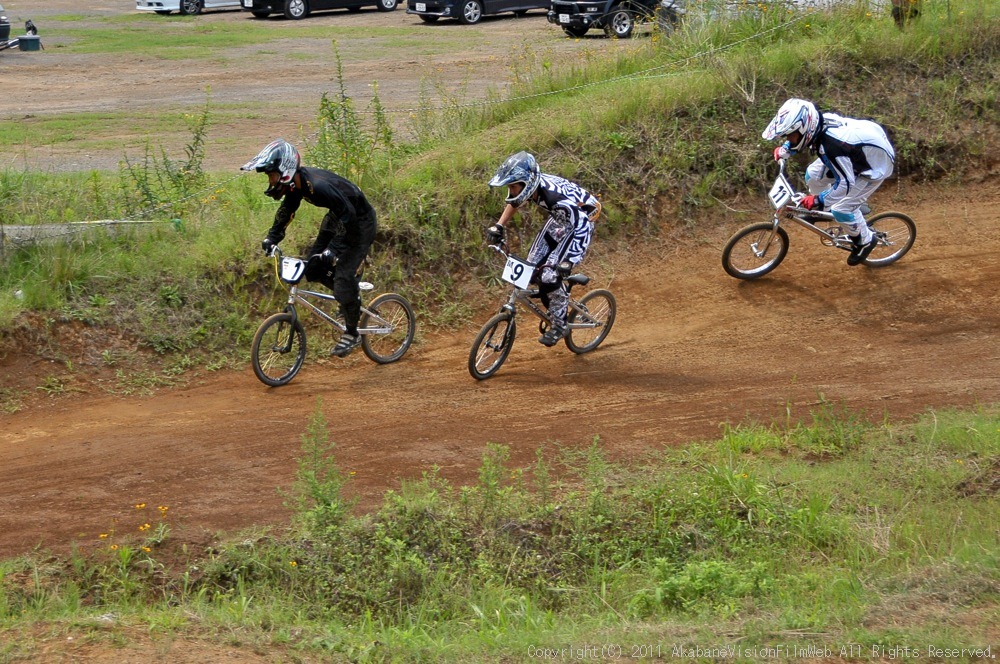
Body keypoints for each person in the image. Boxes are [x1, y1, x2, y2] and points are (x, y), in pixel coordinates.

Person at [242, 139, 377, 357]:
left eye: (271, 175)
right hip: (338, 218)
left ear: (285, 171)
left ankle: (352, 332)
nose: (270, 180)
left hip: (359, 223)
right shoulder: (297, 184)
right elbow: (287, 210)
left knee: (342, 277)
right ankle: (348, 298)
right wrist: (272, 238)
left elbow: (349, 215)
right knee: (313, 268)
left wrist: (334, 249)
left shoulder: (319, 186)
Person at [486, 151, 601, 346]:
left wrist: (569, 261)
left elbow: (581, 226)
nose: (512, 191)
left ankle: (560, 324)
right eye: (510, 187)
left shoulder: (555, 198)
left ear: (527, 182)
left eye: (513, 186)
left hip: (581, 220)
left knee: (549, 276)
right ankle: (556, 293)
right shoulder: (532, 186)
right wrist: (499, 225)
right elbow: (515, 202)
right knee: (531, 268)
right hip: (560, 219)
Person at [762, 98, 896, 266]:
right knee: (812, 175)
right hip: (858, 152)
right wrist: (786, 149)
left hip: (872, 168)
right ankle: (824, 210)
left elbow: (846, 183)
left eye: (791, 136)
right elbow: (800, 138)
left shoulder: (832, 147)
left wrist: (818, 199)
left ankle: (865, 241)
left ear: (805, 129)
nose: (790, 138)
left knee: (841, 208)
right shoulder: (818, 124)